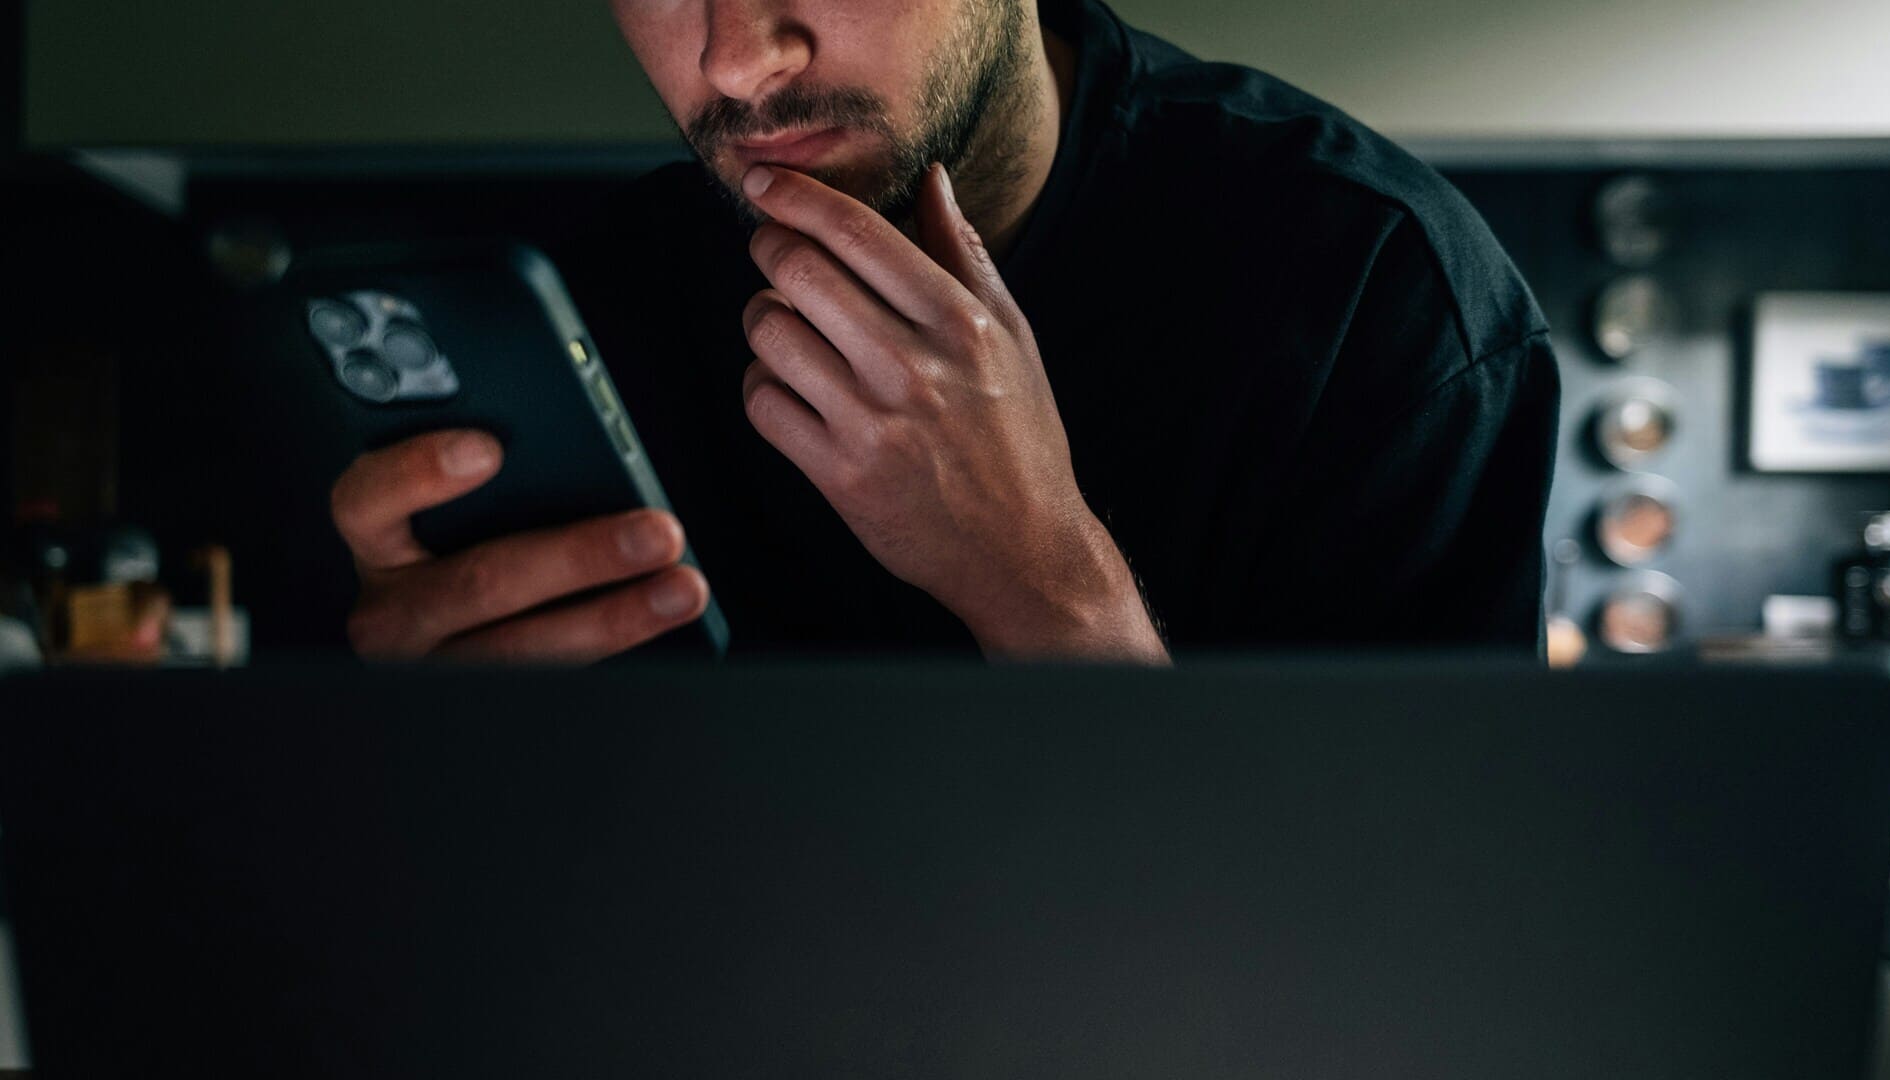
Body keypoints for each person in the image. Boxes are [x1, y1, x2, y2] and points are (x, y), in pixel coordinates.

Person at [327, 0, 1560, 664]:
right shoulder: (585, 311)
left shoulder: (1386, 304)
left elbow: (1411, 969)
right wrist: (415, 750)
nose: (737, 59)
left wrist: (1047, 593)